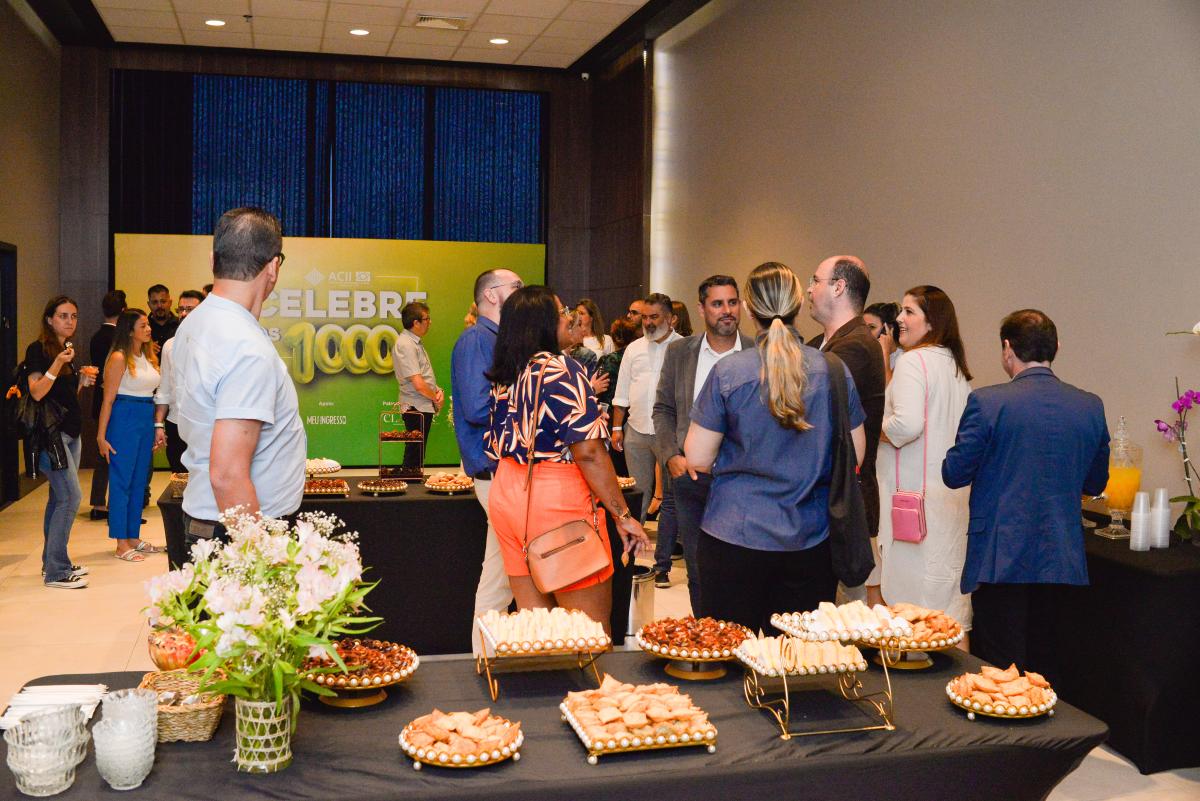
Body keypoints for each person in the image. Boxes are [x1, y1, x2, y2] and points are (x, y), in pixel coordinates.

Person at [684, 263, 866, 633]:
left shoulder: (729, 372)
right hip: (809, 541)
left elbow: (697, 458)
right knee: (796, 657)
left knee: (730, 653)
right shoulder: (833, 370)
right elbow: (856, 455)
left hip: (734, 536)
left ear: (749, 309)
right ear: (799, 304)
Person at [943, 310, 1109, 684]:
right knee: (1046, 670)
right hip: (1061, 557)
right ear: (1056, 347)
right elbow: (1096, 483)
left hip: (1000, 556)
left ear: (1007, 348)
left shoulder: (987, 402)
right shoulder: (1089, 405)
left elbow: (954, 473)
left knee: (999, 672)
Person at [484, 286, 649, 631]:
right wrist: (622, 515)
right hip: (555, 499)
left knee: (537, 630)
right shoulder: (562, 369)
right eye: (561, 312)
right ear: (543, 322)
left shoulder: (507, 373)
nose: (569, 318)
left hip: (508, 491)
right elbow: (588, 452)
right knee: (587, 633)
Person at [173, 207, 306, 543]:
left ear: (213, 260)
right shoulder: (247, 348)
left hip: (206, 516)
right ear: (273, 267)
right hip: (239, 529)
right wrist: (258, 554)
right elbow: (227, 474)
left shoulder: (194, 321)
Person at [874, 285, 973, 641]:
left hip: (913, 506)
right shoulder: (955, 367)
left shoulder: (914, 362)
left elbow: (906, 426)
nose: (899, 318)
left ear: (932, 322)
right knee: (951, 613)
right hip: (950, 503)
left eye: (909, 311)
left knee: (909, 610)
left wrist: (873, 428)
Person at [653, 275, 753, 614]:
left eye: (732, 302)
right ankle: (706, 634)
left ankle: (739, 636)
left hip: (742, 480)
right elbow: (663, 409)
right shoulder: (680, 352)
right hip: (691, 477)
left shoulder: (757, 352)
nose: (727, 311)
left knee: (740, 566)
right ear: (701, 309)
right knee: (698, 568)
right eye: (717, 304)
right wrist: (670, 456)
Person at [806, 256, 886, 605]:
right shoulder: (818, 344)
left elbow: (815, 421)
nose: (809, 290)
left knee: (841, 619)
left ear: (838, 287)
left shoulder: (856, 347)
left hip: (842, 505)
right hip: (821, 503)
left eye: (815, 280)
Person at [451, 268, 523, 653]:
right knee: (501, 574)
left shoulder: (496, 340)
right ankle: (485, 655)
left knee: (503, 571)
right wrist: (531, 405)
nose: (522, 293)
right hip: (493, 468)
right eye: (516, 287)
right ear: (492, 295)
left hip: (503, 467)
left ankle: (488, 653)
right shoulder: (476, 339)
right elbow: (478, 407)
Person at [25, 296, 96, 589]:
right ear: (49, 319)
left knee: (58, 498)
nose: (70, 321)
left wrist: (80, 383)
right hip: (50, 437)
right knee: (70, 497)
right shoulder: (39, 350)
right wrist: (57, 363)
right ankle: (56, 571)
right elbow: (37, 392)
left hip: (70, 433)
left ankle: (52, 562)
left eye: (74, 316)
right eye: (63, 316)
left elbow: (61, 399)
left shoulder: (66, 348)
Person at [612, 293, 682, 584]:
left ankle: (662, 565)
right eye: (645, 317)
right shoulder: (633, 349)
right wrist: (617, 428)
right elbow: (621, 391)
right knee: (637, 497)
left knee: (670, 501)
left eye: (655, 317)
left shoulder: (683, 348)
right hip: (636, 430)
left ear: (671, 319)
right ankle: (629, 562)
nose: (649, 322)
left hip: (671, 435)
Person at [96, 309, 165, 561]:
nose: (149, 329)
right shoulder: (118, 357)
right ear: (129, 330)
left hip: (145, 417)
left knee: (139, 481)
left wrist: (156, 426)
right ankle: (120, 542)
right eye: (143, 325)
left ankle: (133, 536)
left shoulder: (147, 355)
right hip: (124, 418)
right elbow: (107, 400)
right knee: (122, 481)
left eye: (148, 325)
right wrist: (101, 436)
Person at [153, 290, 203, 473]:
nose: (183, 314)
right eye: (181, 309)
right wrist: (159, 424)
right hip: (176, 422)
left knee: (205, 478)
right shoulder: (169, 345)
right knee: (179, 478)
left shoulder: (216, 344)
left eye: (190, 309)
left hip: (205, 424)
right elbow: (164, 388)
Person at [87, 289, 127, 520]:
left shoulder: (96, 337)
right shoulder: (119, 340)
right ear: (123, 310)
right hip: (116, 400)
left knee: (102, 454)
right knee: (117, 453)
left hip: (99, 400)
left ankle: (97, 502)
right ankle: (115, 504)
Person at [393, 301, 442, 470]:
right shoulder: (406, 344)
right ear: (416, 323)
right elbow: (419, 384)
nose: (430, 322)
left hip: (421, 403)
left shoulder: (414, 342)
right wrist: (435, 398)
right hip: (416, 405)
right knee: (414, 453)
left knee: (417, 451)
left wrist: (437, 390)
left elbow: (424, 376)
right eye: (427, 319)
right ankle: (409, 482)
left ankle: (410, 479)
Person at [864, 301, 903, 379]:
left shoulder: (903, 359)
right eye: (863, 326)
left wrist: (885, 353)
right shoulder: (864, 356)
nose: (864, 332)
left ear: (887, 330)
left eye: (872, 327)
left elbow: (889, 386)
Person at [146, 284, 178, 350]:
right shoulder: (142, 328)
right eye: (155, 302)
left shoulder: (180, 325)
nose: (159, 306)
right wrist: (145, 348)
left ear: (170, 302)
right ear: (149, 304)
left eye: (163, 301)